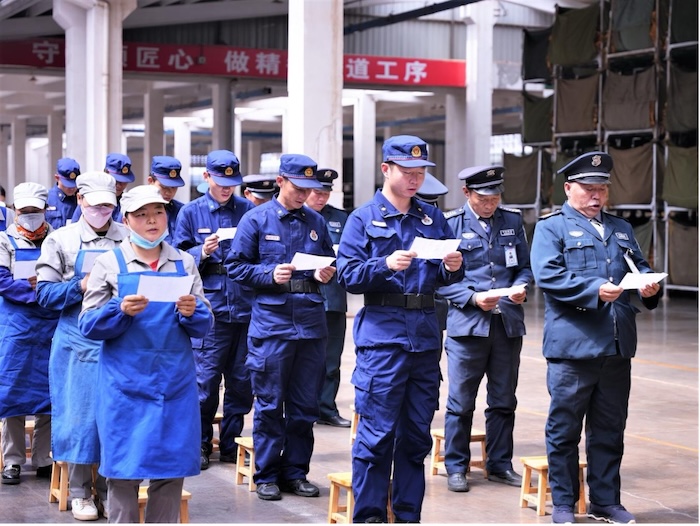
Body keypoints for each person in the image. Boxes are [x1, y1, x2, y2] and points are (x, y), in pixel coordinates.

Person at [335, 135, 464, 523]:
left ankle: (408, 516)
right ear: (386, 169)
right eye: (407, 171)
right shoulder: (362, 219)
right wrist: (384, 264)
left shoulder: (432, 218)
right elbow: (347, 275)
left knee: (416, 437)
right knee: (376, 437)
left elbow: (441, 274)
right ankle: (370, 517)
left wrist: (452, 267)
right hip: (383, 340)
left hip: (424, 338)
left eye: (420, 172)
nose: (414, 179)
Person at [530, 151, 661, 525]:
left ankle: (605, 501)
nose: (596, 196)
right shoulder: (552, 228)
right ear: (568, 188)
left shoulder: (621, 228)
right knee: (564, 430)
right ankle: (563, 503)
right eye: (588, 188)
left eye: (601, 189)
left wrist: (649, 288)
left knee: (609, 429)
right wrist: (593, 290)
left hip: (616, 345)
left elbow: (639, 267)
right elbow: (549, 275)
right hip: (574, 346)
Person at [79, 185, 212, 523]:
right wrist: (119, 310)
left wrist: (192, 312)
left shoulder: (184, 262)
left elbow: (205, 323)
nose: (152, 220)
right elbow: (88, 324)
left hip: (174, 385)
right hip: (125, 386)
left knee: (170, 472)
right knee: (124, 472)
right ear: (126, 220)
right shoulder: (109, 263)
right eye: (141, 215)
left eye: (158, 212)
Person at [227, 153, 337, 502]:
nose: (305, 194)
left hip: (310, 324)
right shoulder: (256, 219)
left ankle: (295, 473)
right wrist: (268, 274)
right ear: (280, 182)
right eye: (298, 187)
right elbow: (235, 267)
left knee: (305, 407)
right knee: (270, 404)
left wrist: (325, 274)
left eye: (309, 188)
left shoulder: (316, 221)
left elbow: (329, 260)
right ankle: (267, 474)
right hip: (272, 326)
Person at [36, 171, 129, 521]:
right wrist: (81, 285)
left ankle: (109, 489)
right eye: (96, 205)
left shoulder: (128, 237)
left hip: (119, 336)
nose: (103, 212)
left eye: (108, 206)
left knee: (114, 415)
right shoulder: (61, 240)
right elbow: (45, 294)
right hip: (77, 339)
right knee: (80, 416)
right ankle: (80, 492)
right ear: (80, 200)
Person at [436, 165, 532, 493]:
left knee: (504, 399)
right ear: (467, 193)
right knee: (461, 402)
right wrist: (473, 298)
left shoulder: (512, 221)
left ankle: (500, 464)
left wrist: (520, 288)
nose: (490, 204)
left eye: (495, 198)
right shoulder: (450, 224)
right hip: (468, 327)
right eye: (483, 198)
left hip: (507, 324)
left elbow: (523, 267)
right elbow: (439, 280)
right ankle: (456, 466)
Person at [173, 150, 255, 470]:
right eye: (220, 182)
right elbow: (177, 259)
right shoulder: (191, 213)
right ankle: (201, 443)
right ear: (206, 177)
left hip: (244, 307)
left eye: (231, 183)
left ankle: (232, 443)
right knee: (205, 384)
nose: (226, 188)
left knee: (241, 382)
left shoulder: (248, 211)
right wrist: (202, 252)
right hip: (211, 309)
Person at [0, 182, 59, 484]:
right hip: (17, 326)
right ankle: (12, 460)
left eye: (35, 210)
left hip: (51, 323)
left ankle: (43, 458)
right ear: (15, 211)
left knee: (49, 391)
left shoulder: (57, 239)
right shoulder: (4, 240)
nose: (30, 215)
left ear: (45, 209)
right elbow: (2, 280)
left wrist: (47, 289)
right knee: (13, 391)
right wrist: (36, 290)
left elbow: (66, 275)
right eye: (24, 211)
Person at [303, 167, 351, 428]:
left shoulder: (341, 219)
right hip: (305, 297)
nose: (321, 198)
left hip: (333, 298)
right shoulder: (297, 216)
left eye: (325, 193)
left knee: (331, 359)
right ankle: (301, 408)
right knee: (303, 359)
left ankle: (326, 407)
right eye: (317, 193)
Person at [71, 153, 135, 224]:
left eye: (124, 182)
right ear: (106, 173)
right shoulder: (90, 200)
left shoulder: (127, 203)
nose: (120, 185)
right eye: (116, 181)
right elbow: (75, 227)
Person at [147, 155, 185, 244]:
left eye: (174, 187)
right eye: (164, 187)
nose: (169, 192)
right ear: (150, 181)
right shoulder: (135, 209)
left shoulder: (182, 211)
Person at [46, 158, 80, 229]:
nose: (71, 188)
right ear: (57, 178)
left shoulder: (83, 199)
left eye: (74, 184)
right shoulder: (47, 200)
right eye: (67, 184)